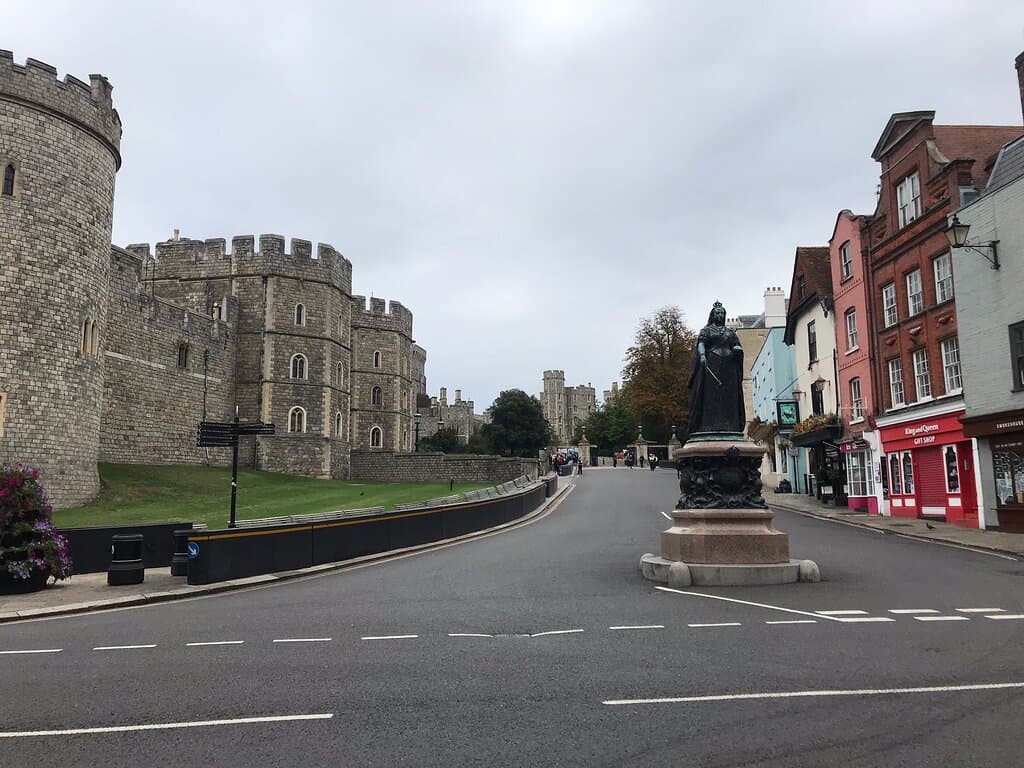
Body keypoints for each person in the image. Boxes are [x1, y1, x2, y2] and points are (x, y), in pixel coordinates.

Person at [687, 301, 745, 435]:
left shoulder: (730, 332)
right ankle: (709, 425)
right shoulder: (707, 330)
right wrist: (702, 355)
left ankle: (731, 424)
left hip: (729, 368)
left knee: (729, 396)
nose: (720, 315)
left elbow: (737, 346)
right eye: (717, 313)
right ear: (712, 315)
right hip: (713, 364)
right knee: (711, 396)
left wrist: (737, 350)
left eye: (722, 313)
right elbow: (701, 344)